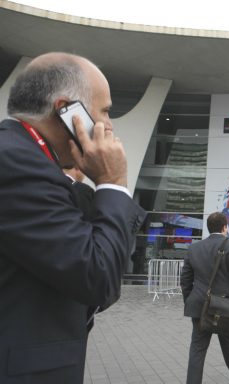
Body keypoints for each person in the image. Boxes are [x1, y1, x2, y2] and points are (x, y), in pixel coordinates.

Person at [0, 52, 146, 383]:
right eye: (106, 110)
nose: (109, 125)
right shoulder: (17, 164)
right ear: (66, 111)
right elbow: (99, 278)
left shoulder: (27, 160)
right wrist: (113, 182)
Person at [180, 212, 229, 384]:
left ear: (209, 228)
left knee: (197, 349)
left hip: (200, 305)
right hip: (226, 306)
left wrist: (190, 301)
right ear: (224, 227)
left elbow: (185, 280)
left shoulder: (194, 248)